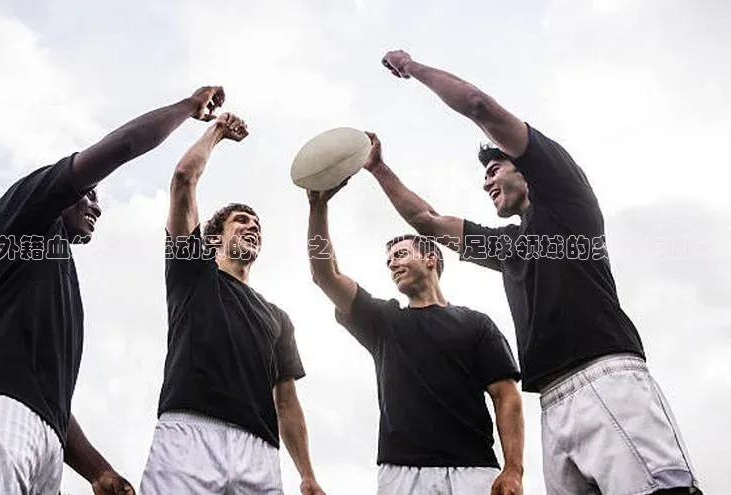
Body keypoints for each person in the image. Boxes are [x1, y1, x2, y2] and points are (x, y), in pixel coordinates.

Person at [373, 49, 703, 495]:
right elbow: (427, 222)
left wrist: (412, 68)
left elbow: (478, 105)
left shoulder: (566, 197)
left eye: (494, 169)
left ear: (525, 168)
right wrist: (378, 168)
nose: (486, 182)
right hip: (552, 402)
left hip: (607, 378)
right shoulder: (508, 246)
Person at [0, 84, 227, 494]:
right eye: (88, 194)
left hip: (43, 440)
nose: (97, 206)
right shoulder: (24, 213)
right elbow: (123, 146)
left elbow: (46, 394)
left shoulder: (57, 279)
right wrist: (189, 106)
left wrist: (99, 471)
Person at [139, 112, 325, 495]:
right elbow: (183, 179)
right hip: (189, 434)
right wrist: (218, 131)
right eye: (241, 220)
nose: (252, 226)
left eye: (257, 224)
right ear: (212, 240)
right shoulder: (193, 272)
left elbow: (286, 402)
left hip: (260, 452)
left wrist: (307, 474)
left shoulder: (278, 318)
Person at [305, 179, 525, 495]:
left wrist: (514, 469)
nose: (392, 263)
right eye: (389, 260)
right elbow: (324, 274)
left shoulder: (477, 324)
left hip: (474, 472)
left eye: (400, 254)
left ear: (430, 259)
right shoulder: (382, 321)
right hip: (401, 475)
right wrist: (318, 207)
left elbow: (506, 396)